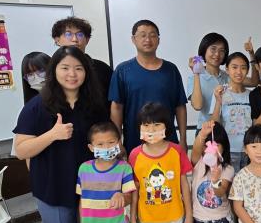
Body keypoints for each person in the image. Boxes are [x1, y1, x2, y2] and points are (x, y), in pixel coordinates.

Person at [13, 46, 107, 223]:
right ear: (54, 70)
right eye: (65, 68)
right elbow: (21, 150)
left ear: (86, 72)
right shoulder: (37, 106)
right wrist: (52, 135)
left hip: (91, 190)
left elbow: (105, 141)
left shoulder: (94, 105)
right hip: (52, 190)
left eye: (78, 68)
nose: (72, 74)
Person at [109, 20, 187, 154]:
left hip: (167, 142)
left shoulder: (171, 70)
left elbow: (180, 106)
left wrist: (183, 139)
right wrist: (117, 141)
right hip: (135, 143)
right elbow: (116, 108)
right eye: (143, 35)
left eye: (152, 35)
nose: (148, 39)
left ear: (158, 40)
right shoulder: (123, 70)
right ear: (133, 39)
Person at [77, 121, 135, 223]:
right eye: (100, 144)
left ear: (119, 142)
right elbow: (82, 202)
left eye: (111, 142)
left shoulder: (124, 168)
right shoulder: (83, 169)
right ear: (91, 147)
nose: (106, 147)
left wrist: (121, 196)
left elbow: (130, 197)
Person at [51, 17, 112, 104]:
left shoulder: (102, 69)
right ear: (57, 40)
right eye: (68, 34)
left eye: (80, 35)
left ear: (87, 40)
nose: (75, 39)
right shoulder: (49, 68)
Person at [210, 52, 252, 172]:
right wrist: (218, 101)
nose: (239, 72)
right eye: (234, 67)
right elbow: (214, 124)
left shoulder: (251, 95)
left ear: (247, 71)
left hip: (249, 150)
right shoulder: (220, 93)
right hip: (228, 150)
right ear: (227, 69)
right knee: (228, 182)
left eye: (243, 68)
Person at [187, 32, 230, 133]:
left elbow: (254, 82)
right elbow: (197, 106)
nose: (217, 54)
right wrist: (196, 73)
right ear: (204, 50)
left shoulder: (228, 76)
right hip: (205, 130)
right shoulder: (194, 78)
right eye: (213, 49)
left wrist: (251, 54)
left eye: (222, 51)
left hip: (227, 131)